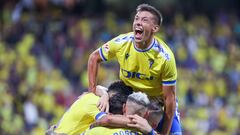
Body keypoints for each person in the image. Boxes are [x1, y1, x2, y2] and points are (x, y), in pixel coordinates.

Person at [87, 3, 181, 134]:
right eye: (136, 18)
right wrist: (91, 91)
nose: (138, 22)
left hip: (156, 104)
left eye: (144, 20)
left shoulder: (165, 58)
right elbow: (94, 58)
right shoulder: (121, 43)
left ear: (155, 28)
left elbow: (169, 102)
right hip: (128, 99)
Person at [46, 80, 133, 135]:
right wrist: (138, 123)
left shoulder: (100, 97)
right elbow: (108, 120)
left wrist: (104, 94)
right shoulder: (96, 102)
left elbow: (100, 88)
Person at [83, 92, 161, 135]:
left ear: (124, 107)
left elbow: (107, 119)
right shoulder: (148, 132)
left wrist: (104, 94)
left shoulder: (97, 129)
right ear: (146, 114)